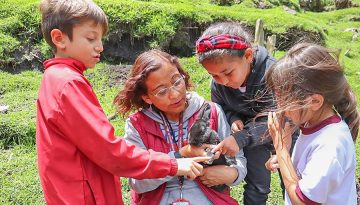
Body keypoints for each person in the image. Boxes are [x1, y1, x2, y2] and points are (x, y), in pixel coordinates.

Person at [36, 1, 209, 204]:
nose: (99, 46)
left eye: (100, 39)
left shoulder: (54, 77)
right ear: (59, 38)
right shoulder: (68, 82)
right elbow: (108, 150)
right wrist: (172, 164)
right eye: (91, 38)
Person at [113, 49, 247, 205]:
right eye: (162, 91)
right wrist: (180, 156)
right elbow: (137, 183)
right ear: (146, 97)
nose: (175, 95)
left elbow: (238, 160)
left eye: (177, 81)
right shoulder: (137, 125)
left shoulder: (212, 111)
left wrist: (232, 174)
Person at [195, 21, 281, 204]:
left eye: (228, 72)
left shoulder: (273, 74)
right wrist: (233, 118)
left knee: (294, 182)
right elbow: (222, 108)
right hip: (253, 140)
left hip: (287, 135)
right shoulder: (218, 85)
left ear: (248, 55)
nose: (223, 81)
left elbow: (279, 117)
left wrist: (241, 138)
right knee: (257, 186)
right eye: (215, 75)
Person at [265, 43, 359, 204]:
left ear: (315, 101)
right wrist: (283, 158)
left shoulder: (329, 145)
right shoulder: (312, 123)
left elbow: (302, 201)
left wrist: (281, 150)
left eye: (284, 100)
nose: (280, 107)